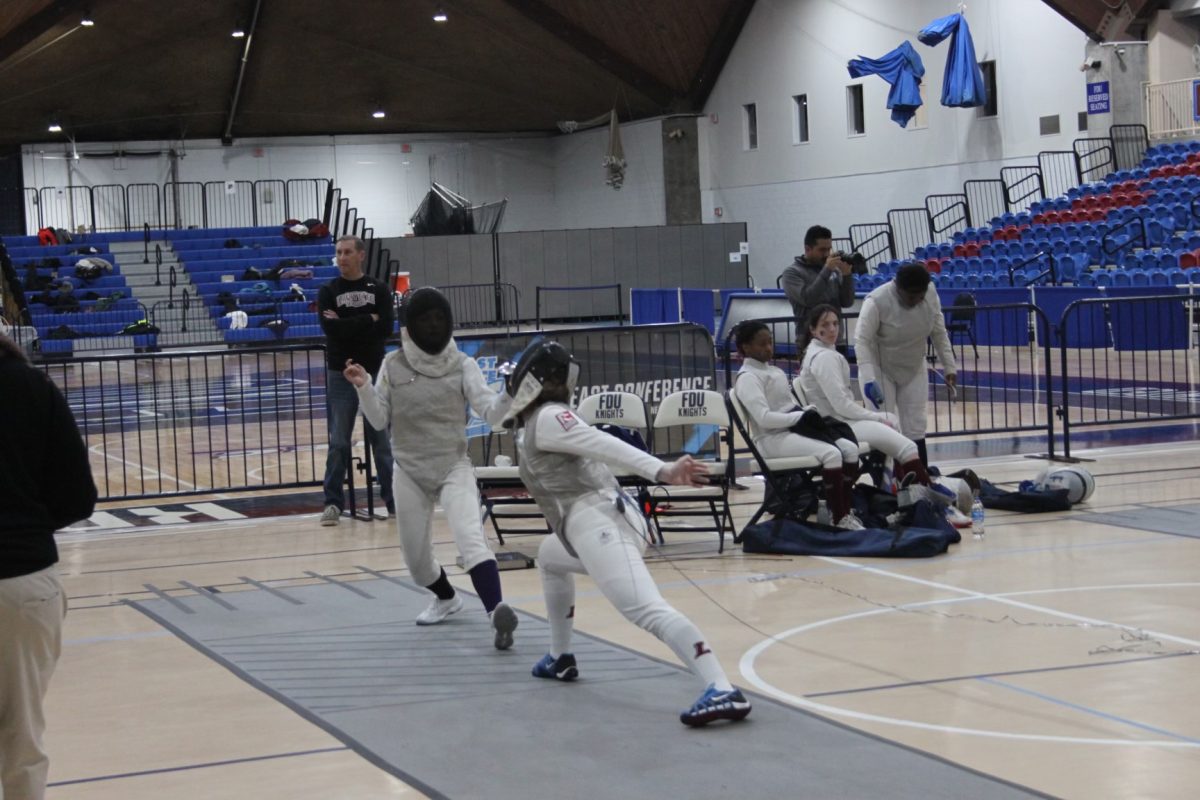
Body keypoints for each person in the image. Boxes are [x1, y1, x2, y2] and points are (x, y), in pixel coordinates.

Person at [505, 340, 751, 727]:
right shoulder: (542, 420)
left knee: (647, 610)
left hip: (600, 525)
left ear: (535, 379)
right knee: (550, 558)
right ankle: (560, 657)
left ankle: (720, 687)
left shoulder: (551, 417)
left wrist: (662, 470)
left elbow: (603, 443)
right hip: (586, 526)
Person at [343, 287, 519, 649]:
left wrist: (510, 393)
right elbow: (378, 420)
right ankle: (446, 598)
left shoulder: (462, 364)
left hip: (453, 465)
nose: (434, 325)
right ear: (409, 326)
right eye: (425, 320)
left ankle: (496, 613)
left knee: (471, 538)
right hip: (408, 469)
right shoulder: (392, 365)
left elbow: (493, 414)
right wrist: (363, 388)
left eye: (439, 318)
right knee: (418, 563)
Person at [0, 334, 97, 800]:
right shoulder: (34, 388)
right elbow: (78, 495)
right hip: (24, 581)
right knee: (23, 738)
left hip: (24, 572)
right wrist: (27, 525)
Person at [733, 321, 863, 530]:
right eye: (761, 344)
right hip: (771, 439)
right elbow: (764, 418)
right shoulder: (748, 378)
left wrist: (805, 411)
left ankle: (842, 509)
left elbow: (788, 405)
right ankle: (838, 517)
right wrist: (798, 417)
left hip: (791, 431)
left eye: (770, 342)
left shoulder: (773, 371)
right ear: (746, 347)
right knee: (832, 454)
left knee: (849, 448)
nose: (768, 348)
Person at [798, 304, 931, 488]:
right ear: (813, 329)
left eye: (835, 323)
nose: (832, 329)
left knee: (891, 422)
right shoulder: (824, 357)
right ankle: (927, 494)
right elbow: (841, 405)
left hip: (837, 422)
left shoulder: (820, 352)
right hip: (837, 426)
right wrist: (875, 416)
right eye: (825, 324)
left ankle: (895, 489)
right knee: (907, 445)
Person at [317, 235, 394, 525]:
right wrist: (367, 320)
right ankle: (332, 504)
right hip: (340, 373)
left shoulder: (380, 289)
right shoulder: (328, 290)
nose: (342, 257)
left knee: (382, 442)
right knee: (338, 442)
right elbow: (331, 330)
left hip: (375, 373)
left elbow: (386, 327)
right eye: (338, 252)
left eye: (348, 252)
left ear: (361, 255)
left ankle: (394, 500)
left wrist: (347, 323)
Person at [855, 262, 956, 467]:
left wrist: (950, 366)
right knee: (882, 424)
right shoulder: (876, 301)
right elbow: (861, 340)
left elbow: (938, 331)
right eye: (911, 296)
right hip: (879, 367)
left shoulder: (930, 294)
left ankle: (919, 481)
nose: (917, 300)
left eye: (920, 295)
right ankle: (881, 486)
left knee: (916, 426)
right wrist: (869, 378)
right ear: (898, 288)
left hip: (914, 365)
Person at [780, 224, 855, 340]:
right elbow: (808, 299)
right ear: (807, 249)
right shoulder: (792, 273)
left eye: (829, 249)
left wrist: (846, 276)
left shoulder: (833, 269)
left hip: (836, 337)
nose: (826, 254)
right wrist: (827, 270)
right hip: (809, 339)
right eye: (822, 250)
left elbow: (847, 302)